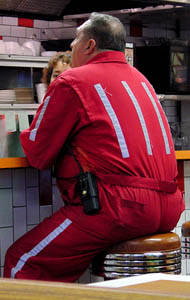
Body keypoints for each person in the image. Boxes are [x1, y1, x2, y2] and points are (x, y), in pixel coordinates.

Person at [4, 12, 184, 282]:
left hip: (118, 208)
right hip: (170, 208)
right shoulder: (142, 80)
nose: (71, 48)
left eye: (75, 41)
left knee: (23, 261)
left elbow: (38, 153)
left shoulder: (71, 81)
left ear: (89, 45)